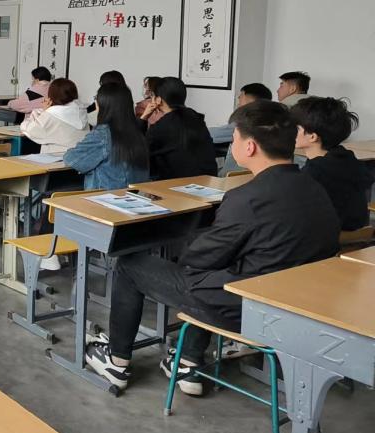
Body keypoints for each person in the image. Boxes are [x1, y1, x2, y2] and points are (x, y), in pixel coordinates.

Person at [85, 101, 340, 395]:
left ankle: (117, 361)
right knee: (222, 269)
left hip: (245, 306)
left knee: (131, 264)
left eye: (235, 138)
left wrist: (184, 241)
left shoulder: (247, 198)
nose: (233, 144)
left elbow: (200, 257)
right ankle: (187, 363)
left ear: (250, 147)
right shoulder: (315, 188)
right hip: (294, 303)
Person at [292, 97, 374, 231]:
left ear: (313, 137)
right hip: (356, 234)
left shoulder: (315, 172)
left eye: (295, 128)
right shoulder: (346, 158)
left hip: (328, 237)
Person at [64, 83, 149, 190]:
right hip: (135, 196)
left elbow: (72, 159)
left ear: (102, 104)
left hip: (105, 196)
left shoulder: (102, 134)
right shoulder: (137, 130)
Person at [143, 77, 217, 179]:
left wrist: (143, 117)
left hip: (177, 184)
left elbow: (140, 150)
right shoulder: (197, 119)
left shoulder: (162, 126)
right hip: (207, 181)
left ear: (158, 100)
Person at [19, 78, 89, 155]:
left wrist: (44, 111)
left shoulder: (51, 115)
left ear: (52, 95)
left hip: (56, 158)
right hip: (81, 157)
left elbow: (30, 130)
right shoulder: (81, 111)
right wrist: (46, 111)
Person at [217, 83, 274, 175]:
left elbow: (213, 134)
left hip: (233, 176)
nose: (238, 99)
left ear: (250, 99)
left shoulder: (247, 120)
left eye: (241, 96)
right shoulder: (275, 119)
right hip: (262, 175)